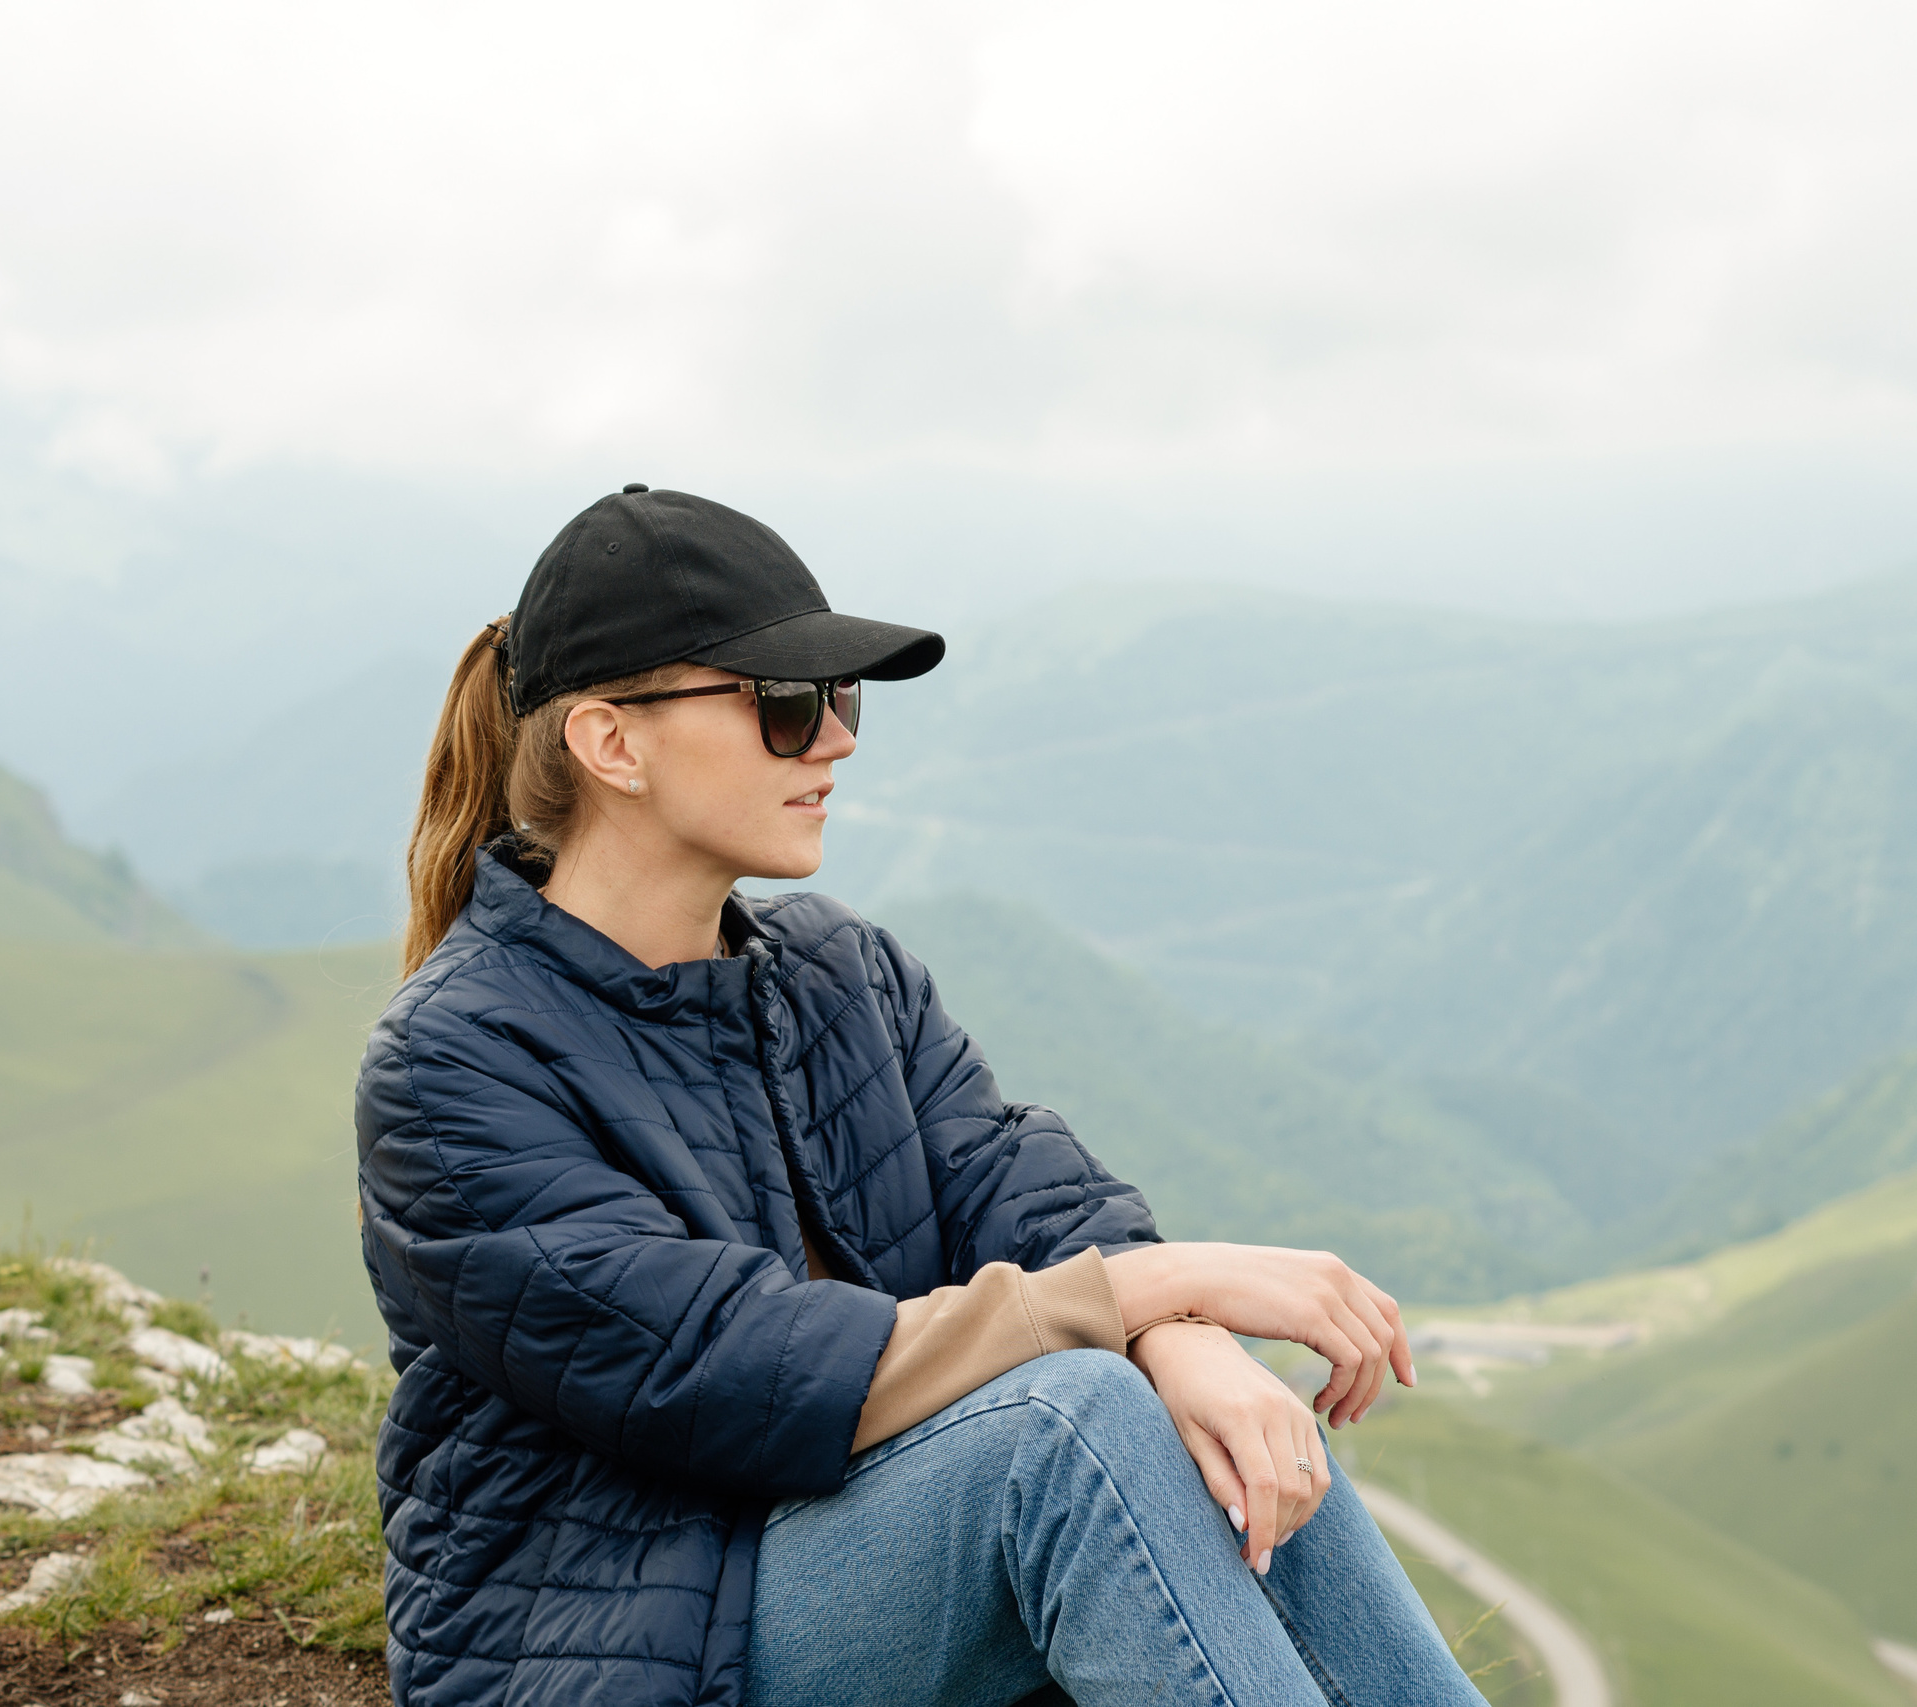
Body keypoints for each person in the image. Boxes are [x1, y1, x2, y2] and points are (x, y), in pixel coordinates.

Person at [355, 485, 1486, 1707]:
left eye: (839, 700)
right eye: (785, 706)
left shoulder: (840, 972)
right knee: (1072, 1424)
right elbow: (731, 1368)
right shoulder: (454, 1064)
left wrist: (1184, 1340)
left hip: (844, 1556)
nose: (836, 741)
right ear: (610, 743)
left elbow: (1023, 1192)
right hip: (626, 1640)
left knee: (1229, 1420)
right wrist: (1156, 1290)